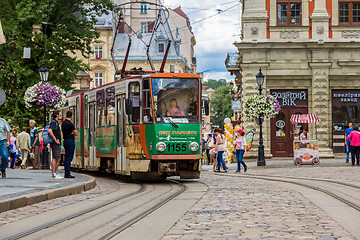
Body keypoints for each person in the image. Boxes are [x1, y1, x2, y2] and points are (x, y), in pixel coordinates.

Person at [62, 111, 79, 178]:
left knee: (66, 157)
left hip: (65, 141)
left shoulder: (63, 123)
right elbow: (76, 133)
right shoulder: (70, 124)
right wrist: (73, 133)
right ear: (71, 116)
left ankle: (66, 172)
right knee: (69, 157)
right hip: (70, 141)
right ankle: (67, 173)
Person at [48, 110, 63, 179]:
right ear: (56, 115)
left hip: (56, 142)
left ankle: (55, 172)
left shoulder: (55, 122)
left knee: (58, 158)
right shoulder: (54, 122)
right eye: (60, 115)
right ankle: (54, 173)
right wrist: (55, 139)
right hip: (55, 142)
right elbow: (50, 130)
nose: (61, 116)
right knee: (55, 157)